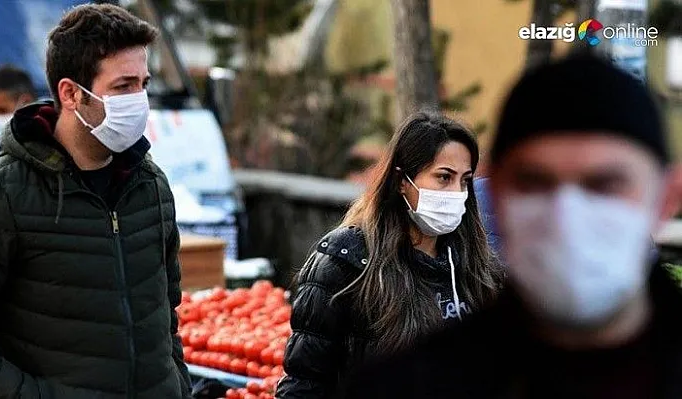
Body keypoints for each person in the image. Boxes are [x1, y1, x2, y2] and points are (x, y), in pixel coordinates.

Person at [342, 54, 682, 398]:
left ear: (667, 199)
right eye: (536, 183)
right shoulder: (404, 386)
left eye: (605, 185)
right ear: (498, 196)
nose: (566, 218)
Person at [0, 4, 191, 398]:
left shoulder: (150, 184)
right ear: (71, 93)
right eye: (123, 87)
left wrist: (176, 384)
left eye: (143, 83)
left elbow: (166, 313)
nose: (139, 100)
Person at [276, 112, 503, 398]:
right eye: (444, 177)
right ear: (401, 181)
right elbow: (305, 383)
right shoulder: (346, 261)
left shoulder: (477, 263)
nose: (457, 192)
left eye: (465, 180)